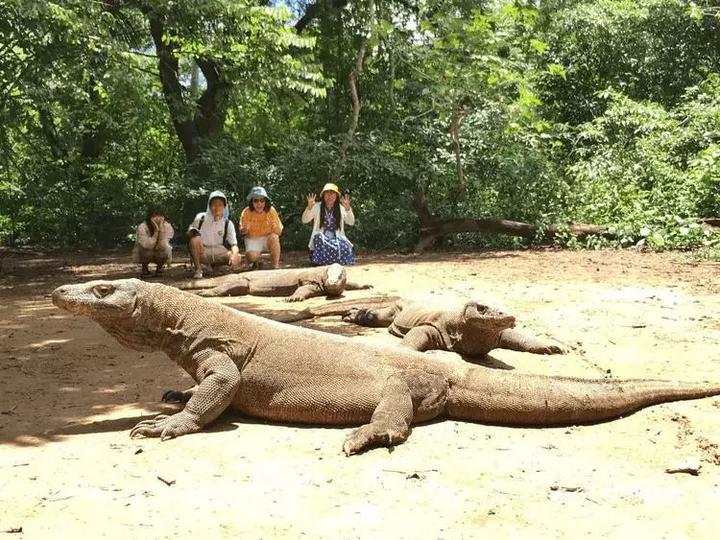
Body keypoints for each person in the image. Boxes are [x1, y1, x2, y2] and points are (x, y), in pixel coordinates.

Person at [187, 190, 241, 279]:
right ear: (209, 206)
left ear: (224, 207)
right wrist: (192, 232)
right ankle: (199, 269)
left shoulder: (227, 223)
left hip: (219, 251)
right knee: (194, 240)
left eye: (220, 205)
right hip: (203, 251)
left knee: (237, 256)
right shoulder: (201, 218)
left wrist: (235, 254)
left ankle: (221, 269)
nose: (217, 208)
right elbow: (190, 232)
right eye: (214, 205)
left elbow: (234, 244)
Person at [302, 182, 355, 266]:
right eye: (327, 193)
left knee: (346, 247)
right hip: (322, 238)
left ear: (336, 196)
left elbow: (351, 222)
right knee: (318, 238)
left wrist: (348, 209)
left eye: (332, 194)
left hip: (337, 238)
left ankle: (332, 261)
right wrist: (309, 208)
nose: (329, 196)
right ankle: (321, 261)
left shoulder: (341, 208)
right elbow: (304, 220)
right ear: (323, 196)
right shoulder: (316, 206)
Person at [239, 186, 283, 269]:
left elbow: (279, 232)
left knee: (274, 237)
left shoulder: (271, 211)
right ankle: (256, 261)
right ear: (252, 202)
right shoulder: (246, 212)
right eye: (256, 201)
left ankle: (275, 266)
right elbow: (241, 232)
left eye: (262, 200)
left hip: (267, 240)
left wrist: (275, 227)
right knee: (252, 256)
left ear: (266, 201)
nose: (259, 204)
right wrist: (245, 230)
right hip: (253, 240)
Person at [133, 207, 174, 276]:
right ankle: (145, 269)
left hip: (159, 250)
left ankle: (160, 268)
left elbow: (162, 245)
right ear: (149, 217)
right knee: (145, 250)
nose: (157, 218)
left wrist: (161, 230)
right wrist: (156, 231)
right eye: (154, 216)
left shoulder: (167, 226)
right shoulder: (142, 226)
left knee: (165, 249)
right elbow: (146, 245)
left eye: (160, 216)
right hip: (146, 250)